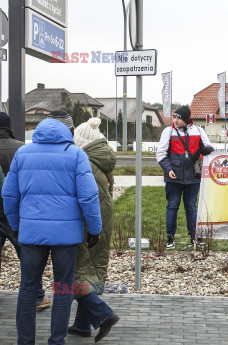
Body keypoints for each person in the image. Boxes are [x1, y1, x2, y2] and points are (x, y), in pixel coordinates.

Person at [2, 118, 103, 344]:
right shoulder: (76, 154)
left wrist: (18, 225)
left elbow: (8, 195)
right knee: (63, 288)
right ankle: (57, 340)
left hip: (31, 233)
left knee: (28, 288)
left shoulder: (23, 154)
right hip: (66, 236)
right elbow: (89, 196)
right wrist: (95, 228)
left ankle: (25, 341)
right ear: (66, 133)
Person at [68, 117, 120, 342]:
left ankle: (103, 314)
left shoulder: (85, 162)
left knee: (76, 273)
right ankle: (81, 326)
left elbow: (87, 198)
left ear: (80, 141)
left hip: (89, 223)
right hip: (101, 219)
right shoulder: (102, 158)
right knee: (91, 270)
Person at [0, 111, 52, 311]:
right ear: (9, 127)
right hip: (16, 214)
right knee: (29, 258)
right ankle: (38, 297)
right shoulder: (23, 150)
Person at [156, 105, 214, 249]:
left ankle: (195, 238)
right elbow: (161, 154)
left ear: (186, 119)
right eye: (174, 117)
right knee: (172, 206)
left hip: (193, 177)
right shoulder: (168, 131)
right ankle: (170, 238)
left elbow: (209, 147)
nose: (175, 120)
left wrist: (207, 150)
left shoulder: (199, 131)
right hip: (173, 177)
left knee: (191, 208)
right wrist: (168, 169)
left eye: (179, 118)